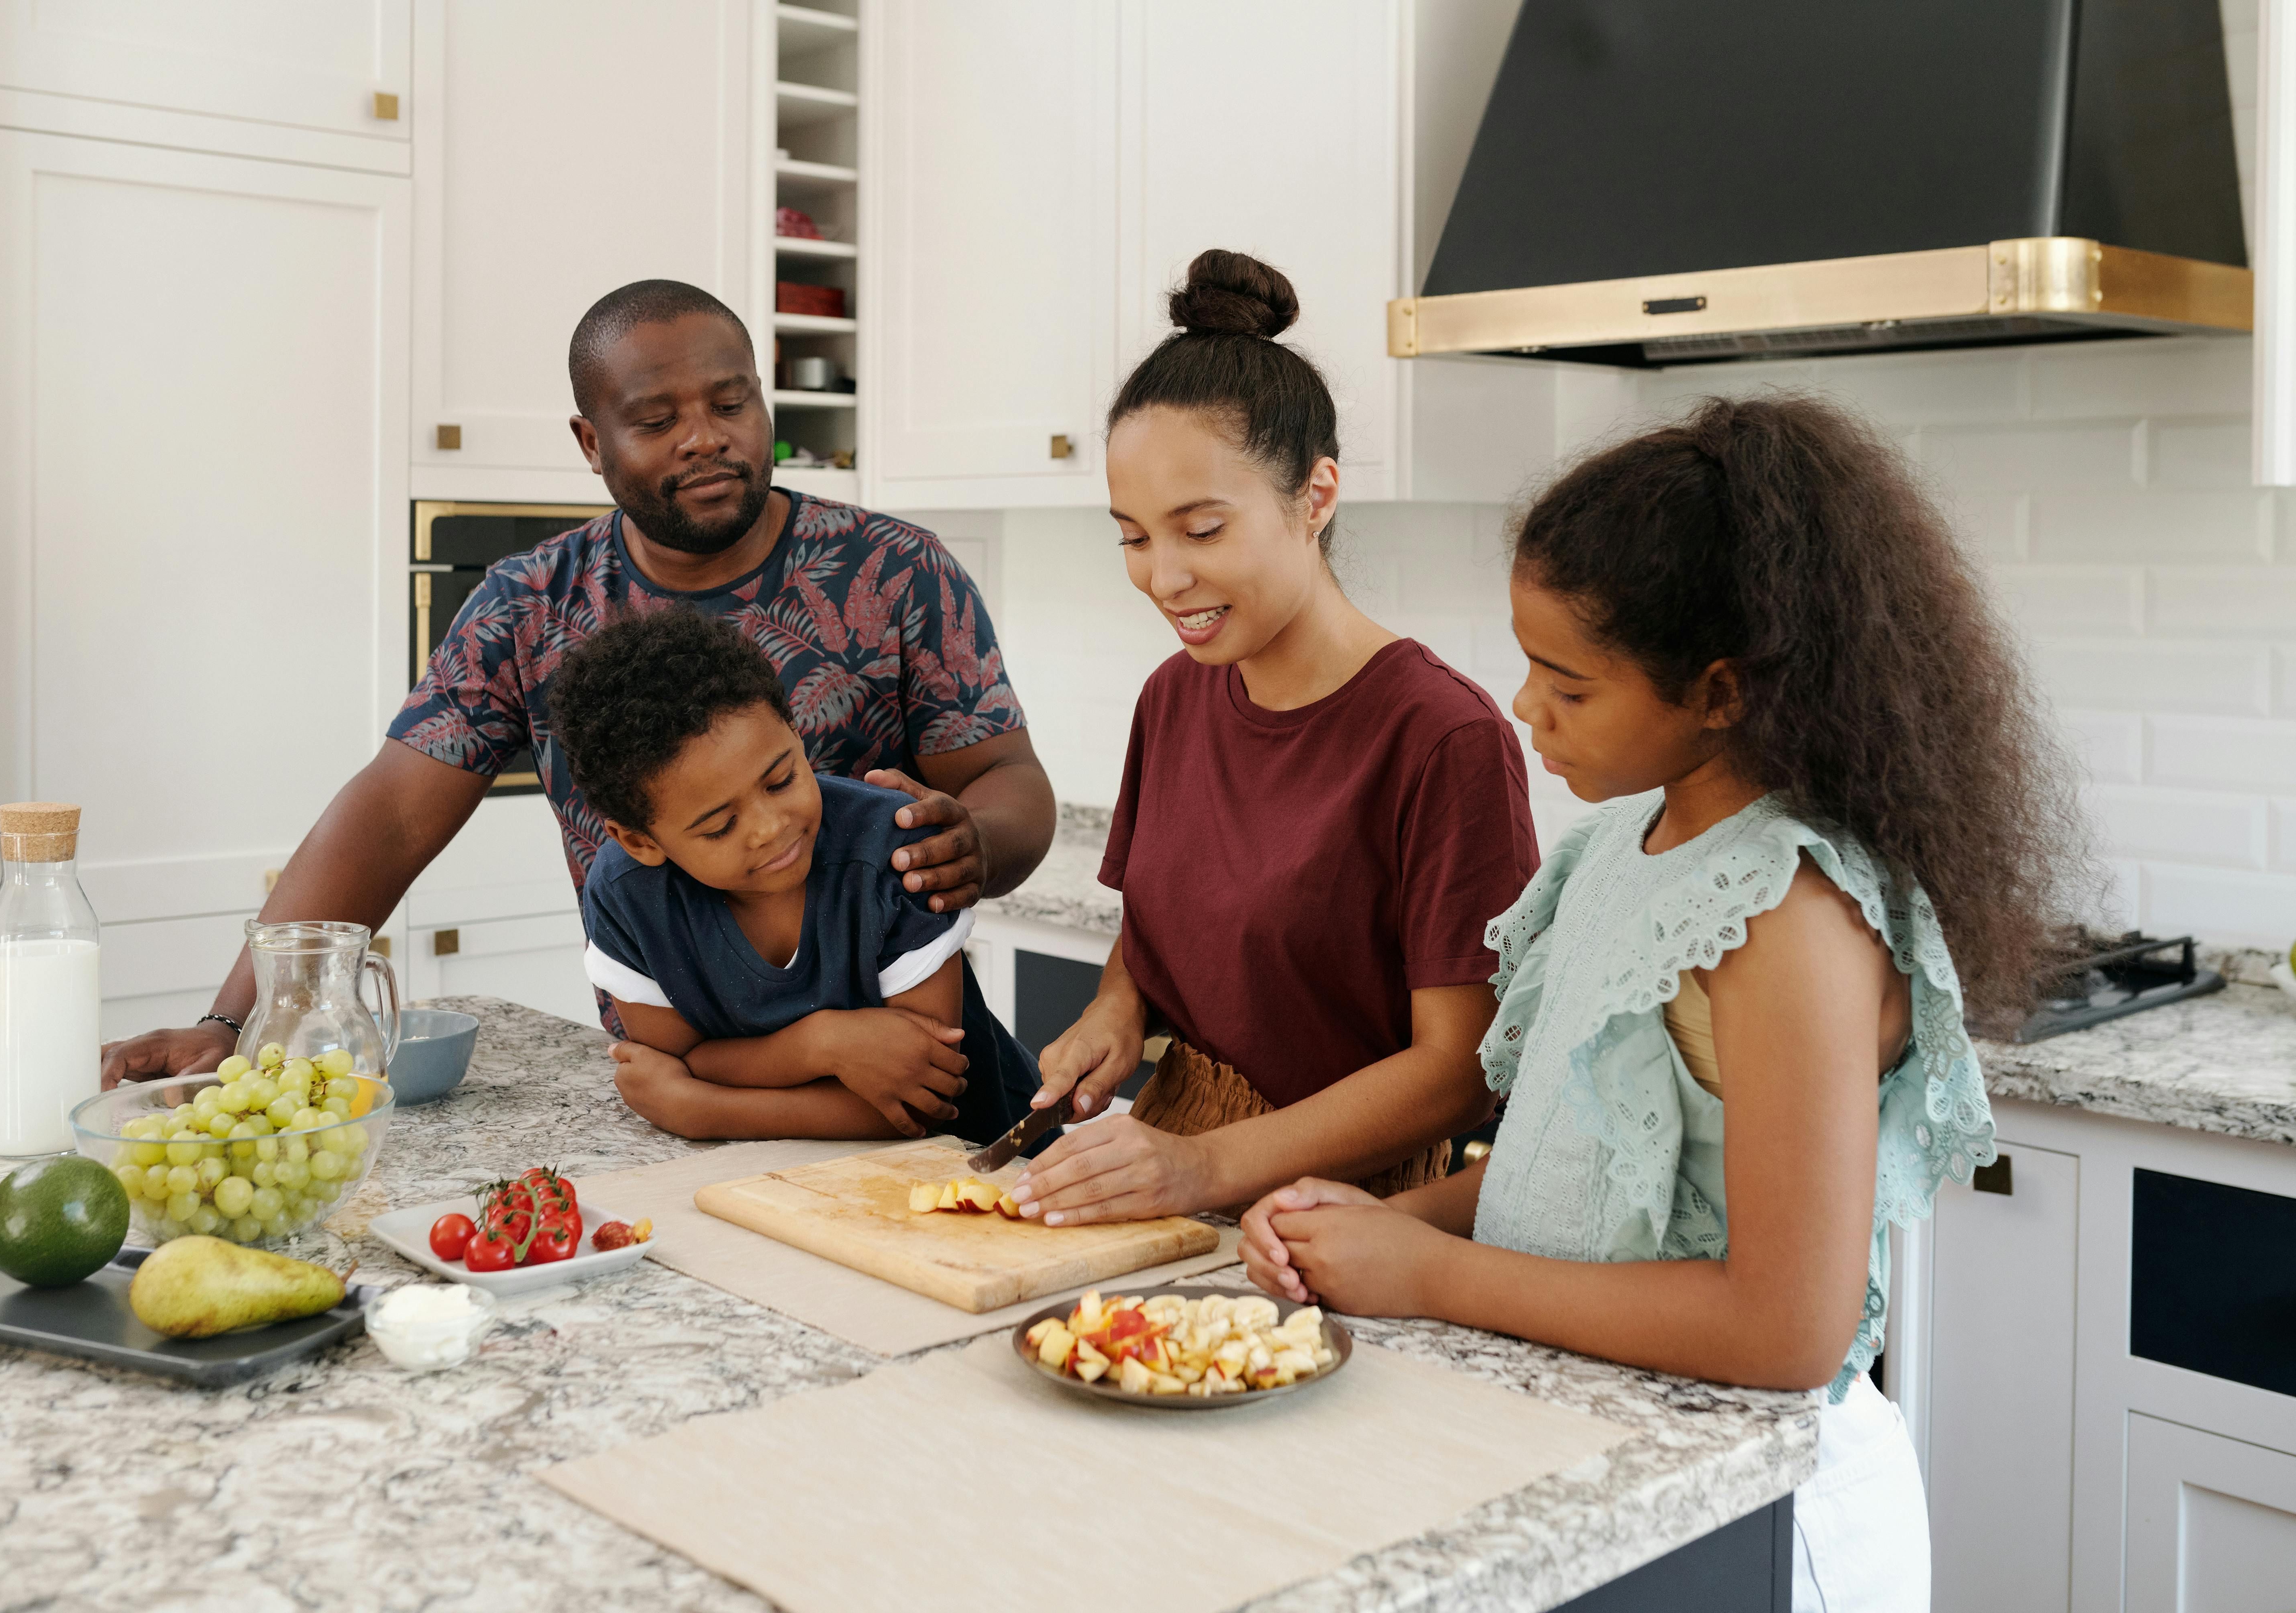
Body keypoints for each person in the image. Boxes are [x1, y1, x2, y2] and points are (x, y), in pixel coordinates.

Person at [1239, 395, 2092, 1613]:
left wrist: (1428, 1276)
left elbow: (1784, 1327)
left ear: (1722, 692)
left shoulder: (1789, 915)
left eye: (1569, 687)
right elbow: (1585, 1162)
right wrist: (1386, 1225)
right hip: (1610, 1462)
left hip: (1764, 1516)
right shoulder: (1621, 849)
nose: (1526, 711)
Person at [102, 279, 1054, 1089]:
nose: (705, 439)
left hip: (899, 1071)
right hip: (686, 1079)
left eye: (731, 404)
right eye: (656, 420)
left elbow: (1010, 782)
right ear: (591, 442)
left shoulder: (895, 571)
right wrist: (235, 1026)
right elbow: (391, 812)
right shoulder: (529, 606)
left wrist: (974, 838)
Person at [1005, 249, 1539, 1227]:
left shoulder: (1443, 736)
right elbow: (1162, 924)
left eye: (1200, 529)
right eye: (1133, 536)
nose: (1163, 578)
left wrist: (1204, 1167)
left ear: (1317, 495)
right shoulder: (1174, 696)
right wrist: (1117, 1009)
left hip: (1353, 1206)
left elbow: (1457, 1072)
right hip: (1176, 1154)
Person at [548, 607, 1043, 1144]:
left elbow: (921, 1108)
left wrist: (702, 1110)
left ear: (794, 731)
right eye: (719, 827)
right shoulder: (630, 897)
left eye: (781, 780)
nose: (770, 828)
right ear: (642, 843)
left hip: (985, 1165)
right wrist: (822, 1042)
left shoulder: (896, 856)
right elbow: (677, 1058)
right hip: (780, 1183)